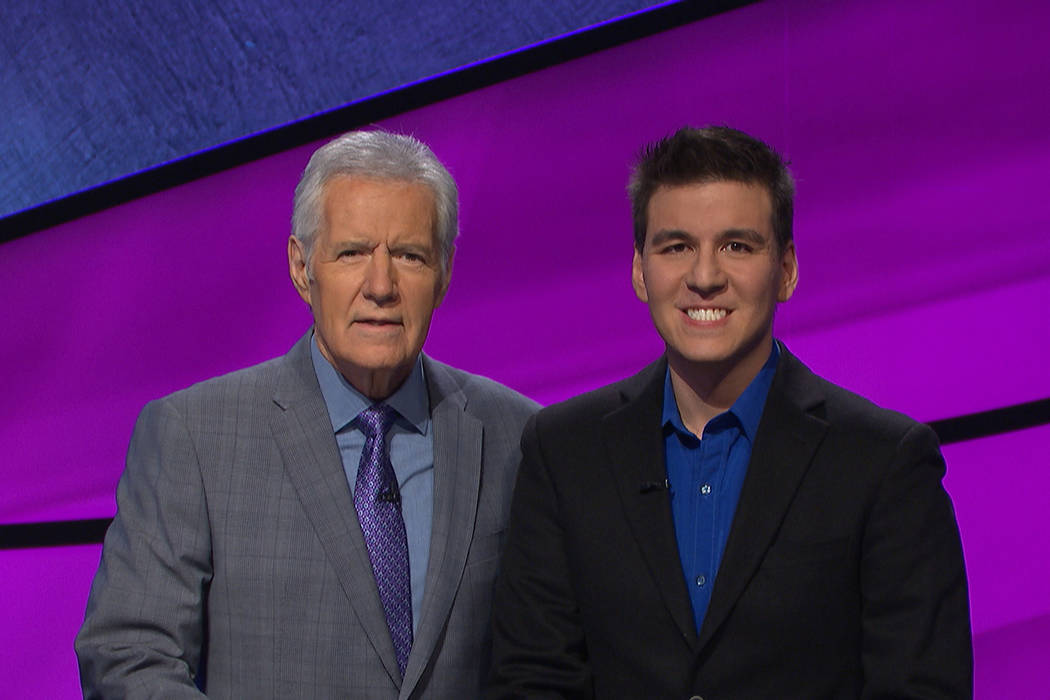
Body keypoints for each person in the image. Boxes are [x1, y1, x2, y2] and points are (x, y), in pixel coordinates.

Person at [488, 126, 972, 698]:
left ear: (786, 269)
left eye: (737, 246)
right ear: (641, 271)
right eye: (676, 247)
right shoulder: (563, 451)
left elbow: (919, 690)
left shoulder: (883, 462)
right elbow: (532, 682)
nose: (705, 277)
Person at [76, 129, 539, 699]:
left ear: (443, 272)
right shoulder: (194, 437)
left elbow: (552, 662)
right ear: (302, 268)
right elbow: (129, 657)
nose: (380, 286)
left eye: (409, 256)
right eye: (352, 253)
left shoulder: (518, 435)